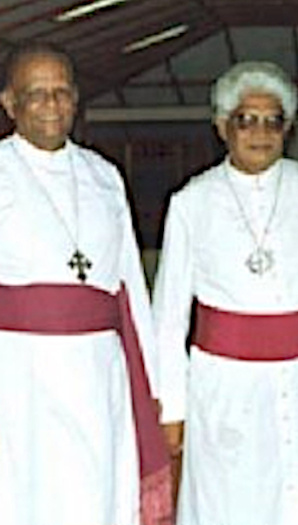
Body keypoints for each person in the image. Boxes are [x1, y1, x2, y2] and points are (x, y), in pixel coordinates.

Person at [152, 61, 298, 525]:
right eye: (247, 120)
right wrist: (172, 407)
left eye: (273, 121)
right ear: (223, 126)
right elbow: (168, 315)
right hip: (226, 384)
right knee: (233, 502)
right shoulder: (191, 202)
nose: (260, 133)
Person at [0, 44, 171, 525]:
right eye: (37, 94)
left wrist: (152, 381)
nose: (52, 105)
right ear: (10, 103)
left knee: (94, 492)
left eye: (61, 92)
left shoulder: (104, 176)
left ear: (76, 99)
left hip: (99, 374)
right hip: (17, 376)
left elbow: (130, 286)